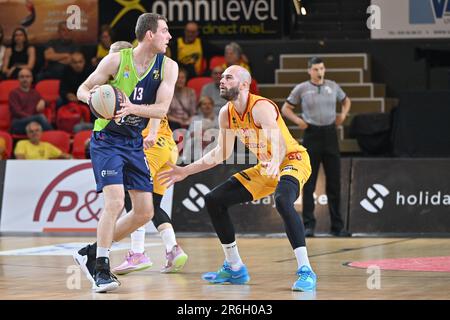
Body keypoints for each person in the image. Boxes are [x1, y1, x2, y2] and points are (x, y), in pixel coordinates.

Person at [159, 65, 317, 292]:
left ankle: (305, 270)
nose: (222, 80)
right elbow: (220, 154)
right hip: (266, 167)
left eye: (228, 77)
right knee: (214, 200)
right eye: (221, 77)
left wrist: (275, 162)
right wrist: (185, 170)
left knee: (282, 200)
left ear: (244, 84)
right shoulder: (226, 113)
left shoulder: (260, 107)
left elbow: (279, 141)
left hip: (292, 159)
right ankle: (234, 267)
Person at [73, 13, 178, 293]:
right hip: (107, 139)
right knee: (115, 202)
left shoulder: (168, 67)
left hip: (133, 141)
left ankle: (91, 252)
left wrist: (131, 108)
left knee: (144, 212)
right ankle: (101, 269)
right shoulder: (117, 60)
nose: (169, 36)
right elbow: (82, 89)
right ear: (149, 34)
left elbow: (161, 109)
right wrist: (93, 98)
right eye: (165, 31)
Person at [105, 41, 188, 276]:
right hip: (168, 146)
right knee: (153, 204)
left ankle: (138, 253)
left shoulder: (133, 80)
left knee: (135, 197)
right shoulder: (140, 76)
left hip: (151, 144)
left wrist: (150, 133)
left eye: (113, 59)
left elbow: (152, 106)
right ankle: (173, 249)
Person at [281, 57, 352, 237]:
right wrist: (298, 120)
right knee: (309, 181)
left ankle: (337, 226)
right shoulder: (302, 88)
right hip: (312, 134)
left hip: (330, 134)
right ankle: (308, 225)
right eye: (315, 69)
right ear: (309, 71)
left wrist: (343, 114)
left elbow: (346, 100)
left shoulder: (333, 85)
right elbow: (285, 108)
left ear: (324, 69)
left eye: (321, 68)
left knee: (334, 182)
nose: (319, 72)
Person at [9, 68, 52, 135]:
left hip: (33, 122)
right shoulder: (14, 93)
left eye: (27, 76)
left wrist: (43, 102)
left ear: (31, 79)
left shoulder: (35, 93)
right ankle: (53, 135)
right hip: (18, 123)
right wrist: (33, 119)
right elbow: (16, 112)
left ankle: (52, 136)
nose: (25, 79)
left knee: (40, 119)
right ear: (18, 79)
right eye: (22, 77)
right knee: (40, 117)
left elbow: (48, 103)